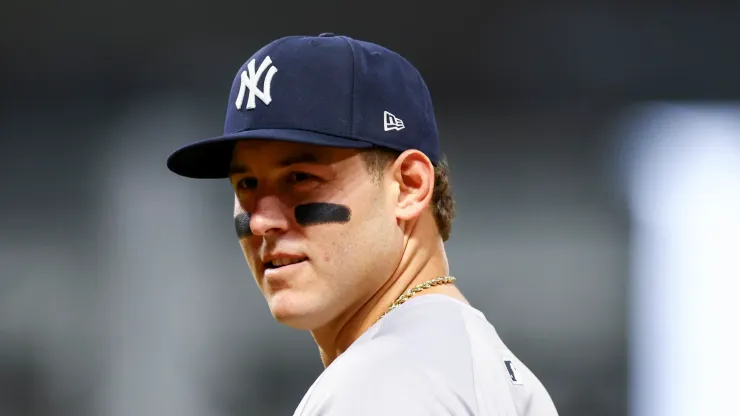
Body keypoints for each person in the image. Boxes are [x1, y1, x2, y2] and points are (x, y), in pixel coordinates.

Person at [166, 33, 559, 416]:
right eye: (247, 184)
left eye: (300, 178)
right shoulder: (504, 376)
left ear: (409, 186)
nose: (262, 221)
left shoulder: (379, 385)